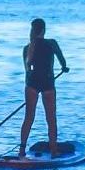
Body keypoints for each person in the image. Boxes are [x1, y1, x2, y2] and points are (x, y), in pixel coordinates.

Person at [18, 17, 69, 157]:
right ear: (44, 30)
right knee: (51, 118)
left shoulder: (26, 48)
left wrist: (31, 85)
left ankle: (21, 151)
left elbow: (27, 71)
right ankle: (53, 150)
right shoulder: (52, 43)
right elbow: (62, 61)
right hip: (47, 84)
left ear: (33, 31)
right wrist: (64, 68)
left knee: (29, 117)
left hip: (31, 84)